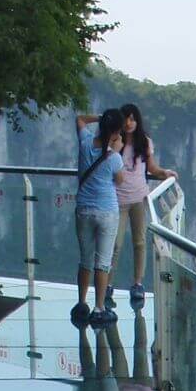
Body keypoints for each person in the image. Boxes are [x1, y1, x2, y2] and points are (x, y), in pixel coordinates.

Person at [107, 102, 177, 308]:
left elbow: (152, 167)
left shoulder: (144, 143)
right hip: (117, 199)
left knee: (139, 242)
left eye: (132, 118)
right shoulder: (113, 142)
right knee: (115, 245)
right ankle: (108, 284)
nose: (129, 123)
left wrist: (165, 173)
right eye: (126, 119)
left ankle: (137, 284)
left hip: (139, 199)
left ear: (137, 121)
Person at [73, 107, 125, 326]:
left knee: (85, 260)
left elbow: (81, 119)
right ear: (116, 132)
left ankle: (82, 303)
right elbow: (120, 180)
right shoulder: (114, 158)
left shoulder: (85, 143)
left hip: (83, 209)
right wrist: (116, 149)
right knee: (102, 263)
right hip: (107, 211)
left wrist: (102, 119)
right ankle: (99, 308)